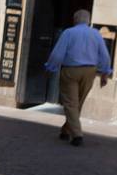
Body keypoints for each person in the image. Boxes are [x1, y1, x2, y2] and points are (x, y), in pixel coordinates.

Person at [44, 8, 111, 146]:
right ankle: (66, 131)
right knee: (77, 103)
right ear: (89, 20)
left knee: (70, 103)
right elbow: (105, 55)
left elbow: (58, 53)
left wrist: (51, 67)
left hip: (71, 71)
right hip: (90, 71)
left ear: (75, 20)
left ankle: (77, 135)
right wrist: (105, 73)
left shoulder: (68, 32)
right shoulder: (96, 34)